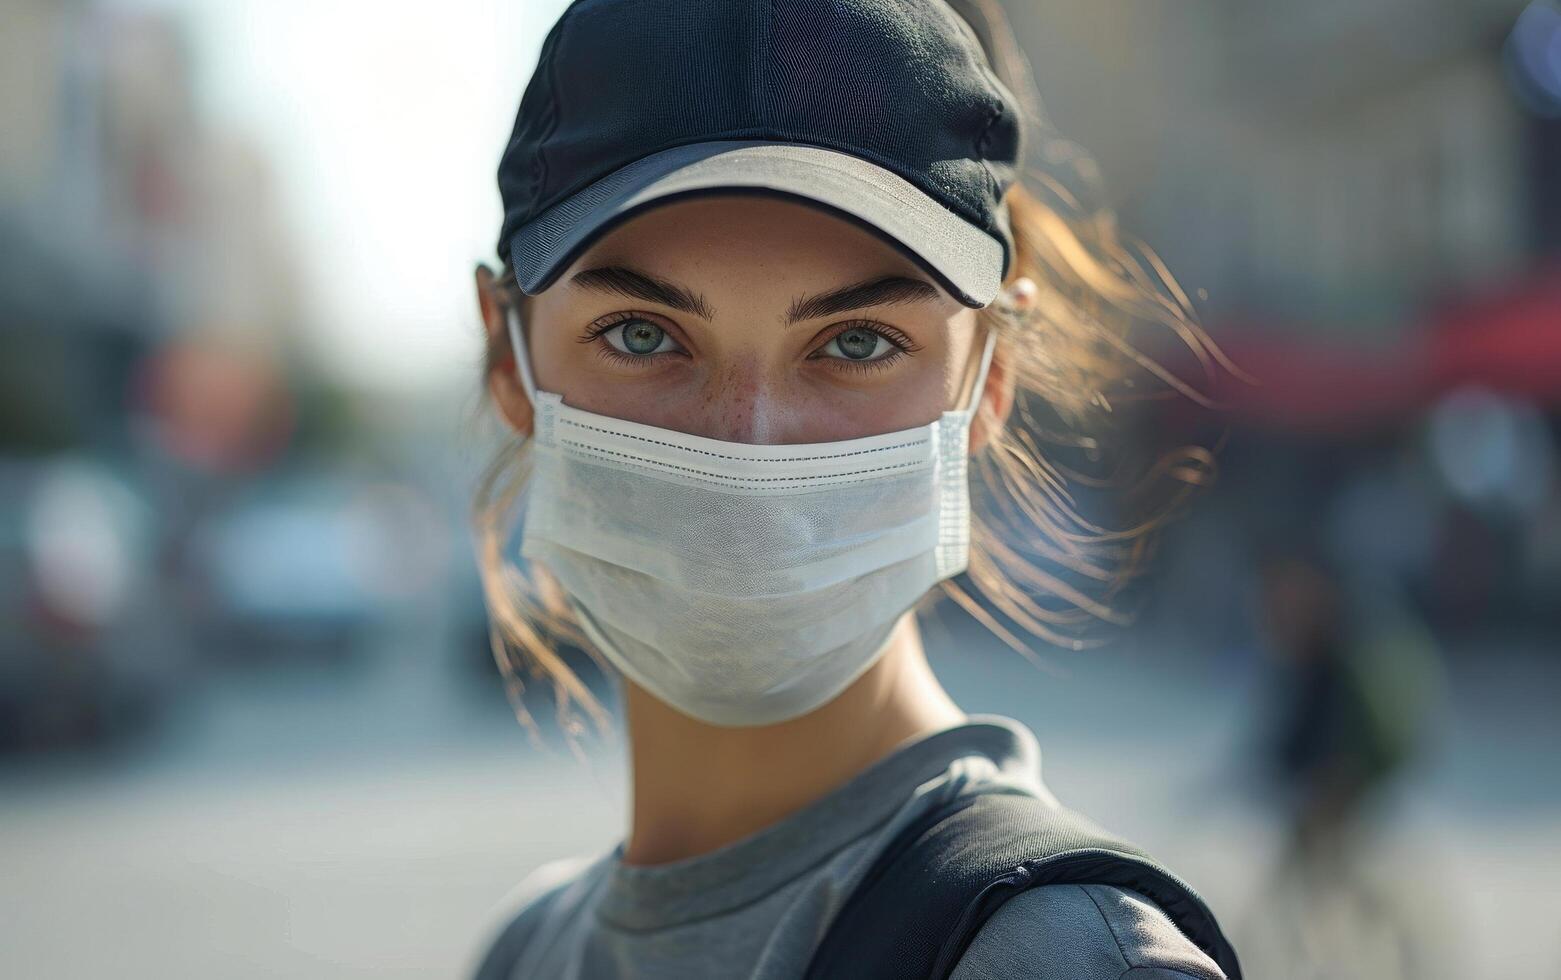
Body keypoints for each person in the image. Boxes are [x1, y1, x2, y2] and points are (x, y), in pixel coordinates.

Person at [465, 0, 1235, 977]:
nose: (747, 449)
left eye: (856, 343)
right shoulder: (524, 949)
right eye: (643, 335)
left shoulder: (1057, 955)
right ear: (506, 349)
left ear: (988, 377)